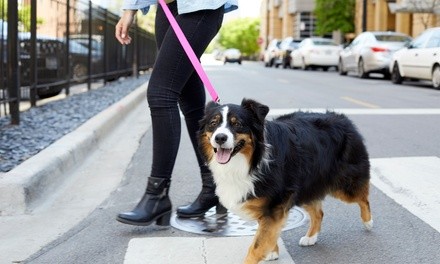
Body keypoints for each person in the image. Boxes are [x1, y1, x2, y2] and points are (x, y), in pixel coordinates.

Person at [114, 0, 238, 226]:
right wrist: (129, 8)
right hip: (167, 7)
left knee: (161, 93)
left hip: (200, 6)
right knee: (188, 98)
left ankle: (156, 196)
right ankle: (214, 187)